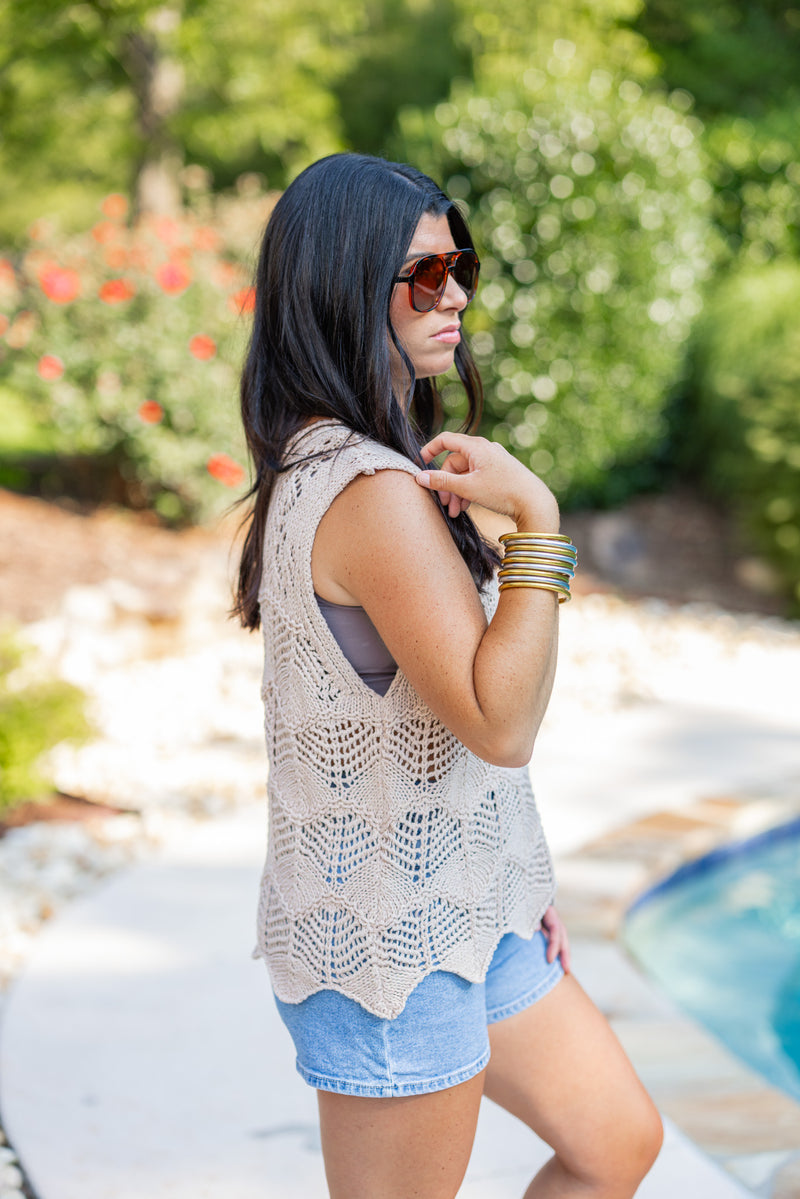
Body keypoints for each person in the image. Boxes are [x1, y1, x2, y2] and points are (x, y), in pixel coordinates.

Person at [234, 152, 663, 1199]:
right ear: (343, 285)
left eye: (458, 264)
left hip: (475, 913)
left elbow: (445, 738)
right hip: (389, 951)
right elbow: (497, 719)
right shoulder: (367, 490)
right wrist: (539, 525)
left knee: (614, 1144)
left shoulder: (360, 462)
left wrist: (515, 882)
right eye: (422, 274)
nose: (456, 293)